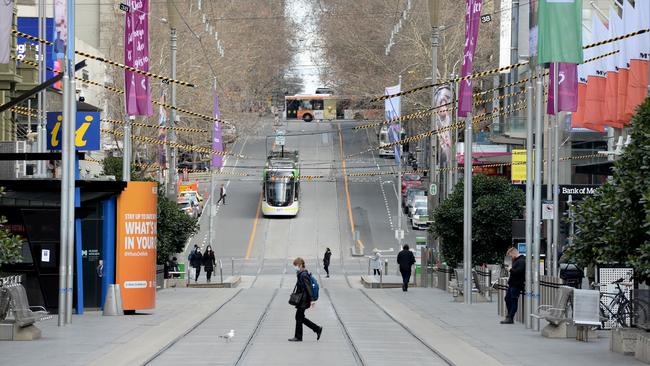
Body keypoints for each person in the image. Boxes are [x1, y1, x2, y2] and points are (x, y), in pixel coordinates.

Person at [288, 257, 323, 342]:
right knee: (300, 317)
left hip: (304, 300)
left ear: (300, 265)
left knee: (298, 317)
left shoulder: (303, 275)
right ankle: (317, 329)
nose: (295, 267)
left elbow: (308, 288)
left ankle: (299, 336)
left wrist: (312, 300)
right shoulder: (301, 274)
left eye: (295, 265)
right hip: (302, 299)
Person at [501, 247, 525, 324]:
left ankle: (510, 317)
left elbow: (519, 272)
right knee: (507, 299)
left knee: (513, 300)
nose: (511, 257)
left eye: (510, 255)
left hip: (517, 284)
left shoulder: (521, 261)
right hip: (512, 284)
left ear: (513, 253)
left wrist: (510, 269)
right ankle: (509, 316)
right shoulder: (517, 260)